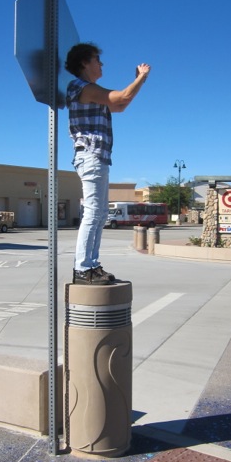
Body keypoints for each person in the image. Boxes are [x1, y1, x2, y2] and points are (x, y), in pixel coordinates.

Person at [65, 43, 151, 284]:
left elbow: (120, 105)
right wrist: (141, 77)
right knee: (93, 213)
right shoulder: (81, 87)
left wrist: (139, 82)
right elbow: (121, 97)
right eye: (97, 60)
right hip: (90, 156)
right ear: (84, 63)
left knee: (101, 213)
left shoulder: (92, 91)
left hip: (98, 158)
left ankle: (91, 265)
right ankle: (83, 268)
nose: (101, 64)